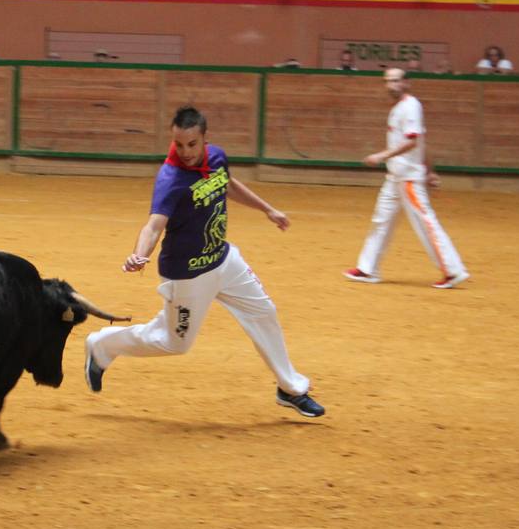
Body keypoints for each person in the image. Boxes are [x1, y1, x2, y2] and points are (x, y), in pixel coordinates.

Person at [83, 106, 325, 419]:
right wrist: (139, 253)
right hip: (188, 275)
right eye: (179, 144)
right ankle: (102, 346)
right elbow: (154, 225)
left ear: (204, 139)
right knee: (175, 342)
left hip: (224, 261)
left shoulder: (217, 157)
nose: (185, 152)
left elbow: (228, 184)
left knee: (263, 311)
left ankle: (290, 388)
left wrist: (268, 209)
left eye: (192, 144)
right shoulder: (171, 179)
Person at [344, 68, 467, 290]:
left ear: (406, 83)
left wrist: (382, 155)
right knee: (381, 220)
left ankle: (453, 271)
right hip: (396, 176)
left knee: (425, 221)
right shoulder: (401, 108)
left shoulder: (410, 106)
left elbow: (413, 141)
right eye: (388, 81)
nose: (391, 85)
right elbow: (422, 141)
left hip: (408, 177)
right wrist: (430, 170)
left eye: (396, 81)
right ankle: (368, 269)